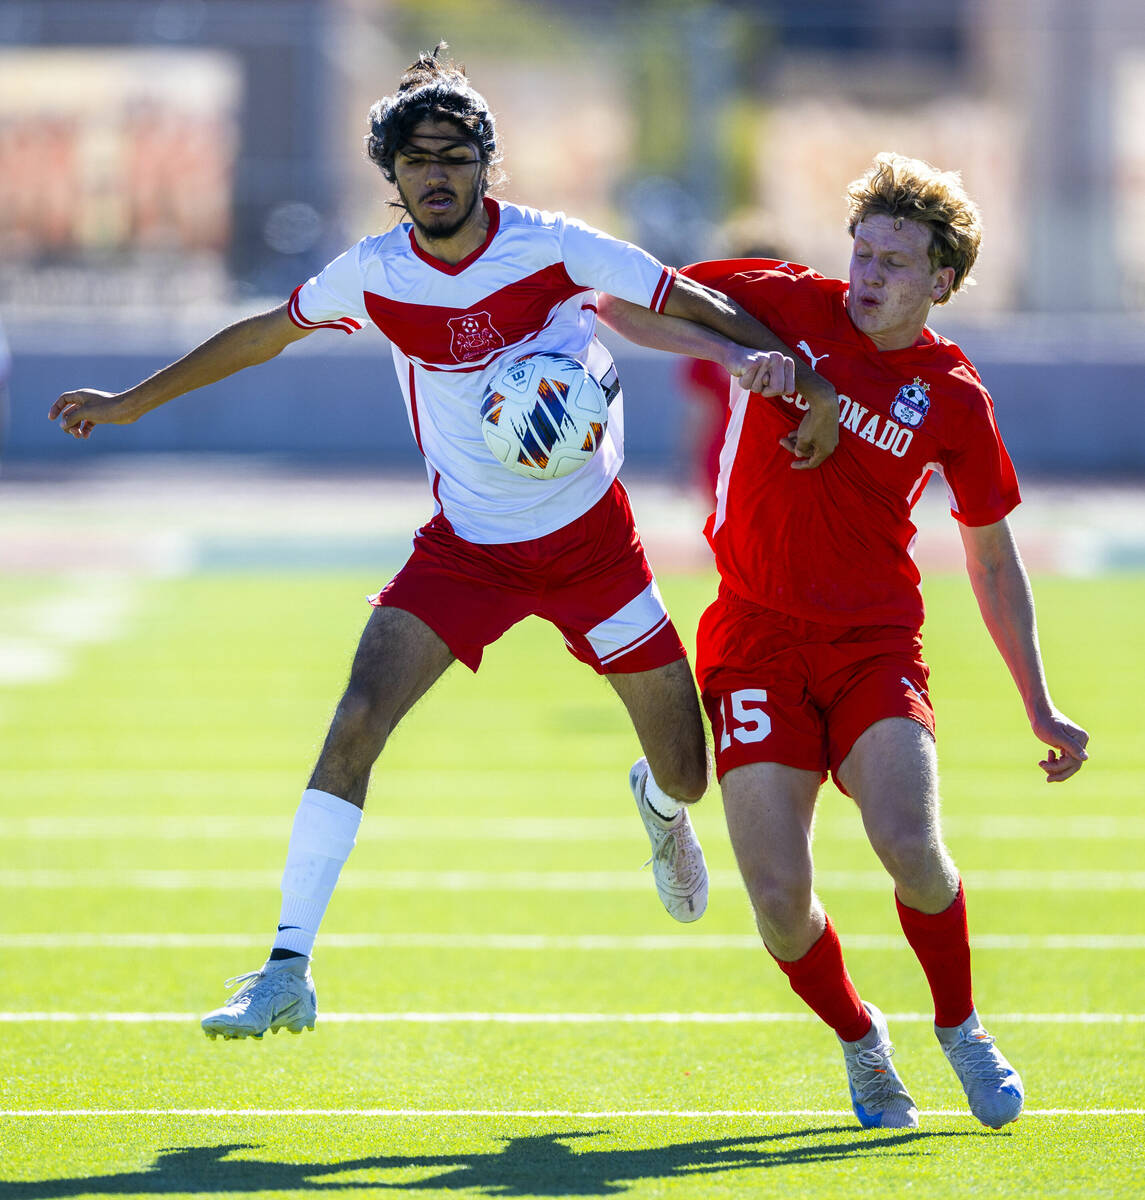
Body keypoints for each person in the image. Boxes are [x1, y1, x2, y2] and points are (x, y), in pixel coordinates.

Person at [49, 47, 839, 1041]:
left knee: (689, 775)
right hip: (462, 549)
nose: (437, 172)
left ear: (484, 166)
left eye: (456, 154)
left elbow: (684, 297)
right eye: (417, 157)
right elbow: (260, 333)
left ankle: (652, 799)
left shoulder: (553, 246)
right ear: (392, 174)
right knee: (355, 718)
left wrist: (795, 373)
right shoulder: (372, 275)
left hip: (592, 549)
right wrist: (131, 402)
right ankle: (284, 967)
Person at [598, 152, 1089, 1130]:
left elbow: (991, 561)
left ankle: (958, 1027)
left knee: (912, 847)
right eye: (861, 253)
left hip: (872, 647)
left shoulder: (952, 395)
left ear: (941, 281)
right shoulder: (784, 301)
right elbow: (622, 306)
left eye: (894, 263)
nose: (866, 275)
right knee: (780, 902)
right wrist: (730, 355)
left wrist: (1038, 703)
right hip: (754, 640)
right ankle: (863, 1044)